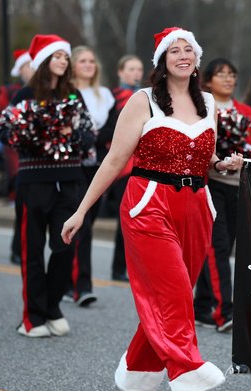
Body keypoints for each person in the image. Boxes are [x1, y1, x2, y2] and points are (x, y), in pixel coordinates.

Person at [61, 27, 242, 391]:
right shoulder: (142, 101)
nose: (183, 56)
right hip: (148, 204)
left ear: (196, 59)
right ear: (162, 60)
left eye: (189, 50)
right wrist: (81, 211)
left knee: (172, 297)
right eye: (174, 51)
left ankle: (137, 376)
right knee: (175, 297)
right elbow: (114, 161)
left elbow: (204, 157)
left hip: (196, 206)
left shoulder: (208, 102)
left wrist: (223, 163)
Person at [0, 34, 94, 338]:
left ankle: (52, 307)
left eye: (65, 57)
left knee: (66, 245)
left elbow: (88, 134)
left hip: (69, 181)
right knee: (33, 250)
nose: (63, 61)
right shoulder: (25, 95)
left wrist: (69, 136)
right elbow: (5, 130)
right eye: (57, 56)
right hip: (34, 182)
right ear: (43, 61)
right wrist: (44, 133)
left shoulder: (74, 95)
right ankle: (33, 316)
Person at [193, 58, 251, 333]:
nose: (228, 79)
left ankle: (202, 306)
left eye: (232, 74)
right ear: (208, 80)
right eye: (221, 74)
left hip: (238, 186)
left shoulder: (245, 111)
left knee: (226, 246)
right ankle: (223, 310)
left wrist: (239, 143)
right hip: (211, 184)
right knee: (218, 246)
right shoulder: (201, 107)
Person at [64, 45, 117, 306]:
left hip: (99, 163)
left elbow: (114, 126)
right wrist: (84, 138)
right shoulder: (66, 92)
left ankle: (66, 281)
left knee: (88, 223)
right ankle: (81, 286)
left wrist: (92, 137)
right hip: (74, 165)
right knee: (80, 224)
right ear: (73, 65)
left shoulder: (104, 94)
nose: (88, 65)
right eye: (83, 61)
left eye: (92, 61)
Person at [109, 54, 144, 282]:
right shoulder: (115, 98)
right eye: (131, 69)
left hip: (144, 165)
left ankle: (136, 267)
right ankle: (119, 267)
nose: (135, 73)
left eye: (139, 69)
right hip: (123, 167)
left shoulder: (147, 96)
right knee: (126, 219)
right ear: (121, 72)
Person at [0, 49, 35, 265]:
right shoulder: (12, 91)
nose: (32, 70)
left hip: (40, 156)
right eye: (27, 66)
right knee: (22, 205)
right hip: (17, 151)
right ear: (20, 70)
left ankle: (24, 249)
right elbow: (5, 120)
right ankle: (18, 248)